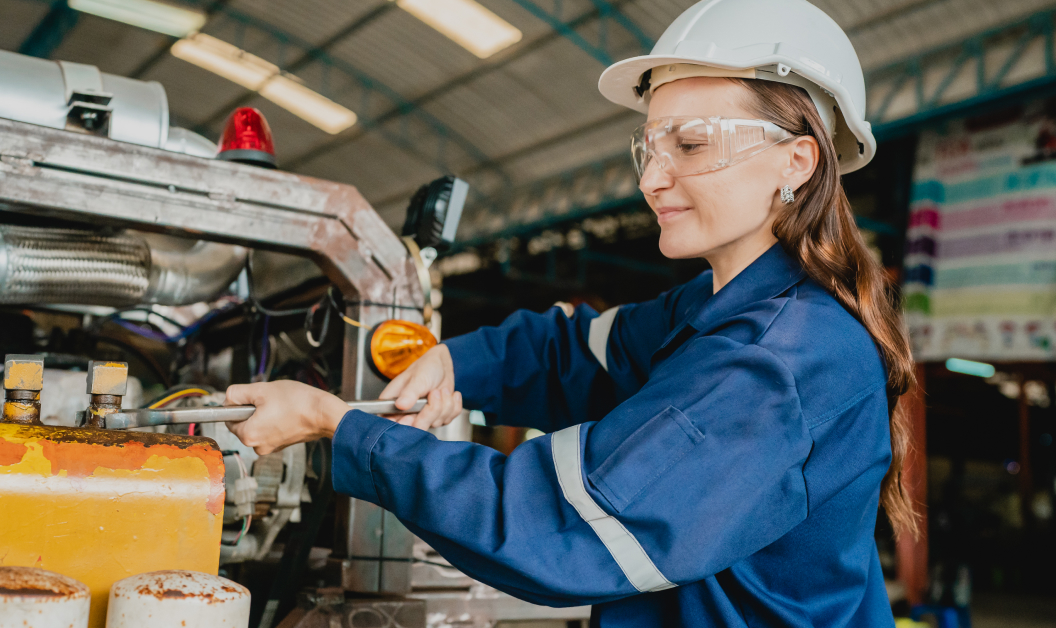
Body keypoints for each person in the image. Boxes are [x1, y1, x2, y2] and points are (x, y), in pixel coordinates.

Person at [224, 0, 918, 624]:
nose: (652, 179)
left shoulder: (782, 360)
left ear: (796, 161)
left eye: (691, 145)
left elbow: (563, 526)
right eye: (650, 147)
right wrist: (456, 362)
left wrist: (339, 427)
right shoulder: (715, 311)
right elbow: (575, 353)